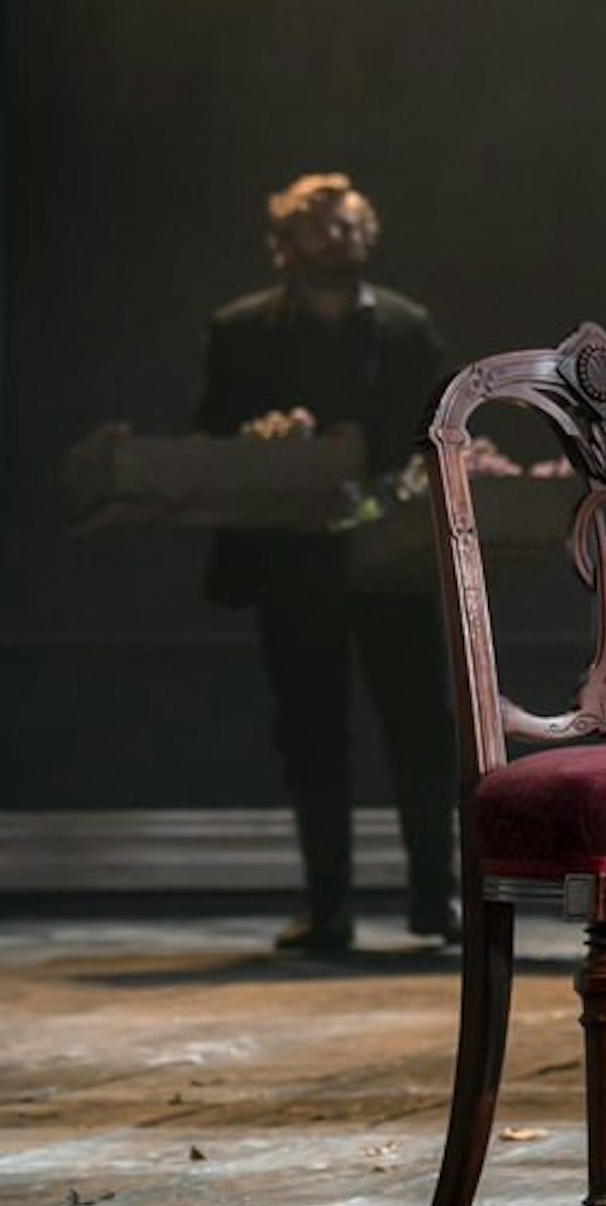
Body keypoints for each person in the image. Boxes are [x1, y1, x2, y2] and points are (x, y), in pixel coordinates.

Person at [195, 172, 457, 955]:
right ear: (285, 245)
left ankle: (432, 902)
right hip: (293, 559)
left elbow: (440, 432)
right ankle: (329, 909)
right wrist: (271, 435)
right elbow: (212, 435)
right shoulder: (240, 329)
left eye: (345, 224)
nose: (335, 236)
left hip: (392, 557)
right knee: (310, 732)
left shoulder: (407, 327)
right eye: (317, 226)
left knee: (420, 729)